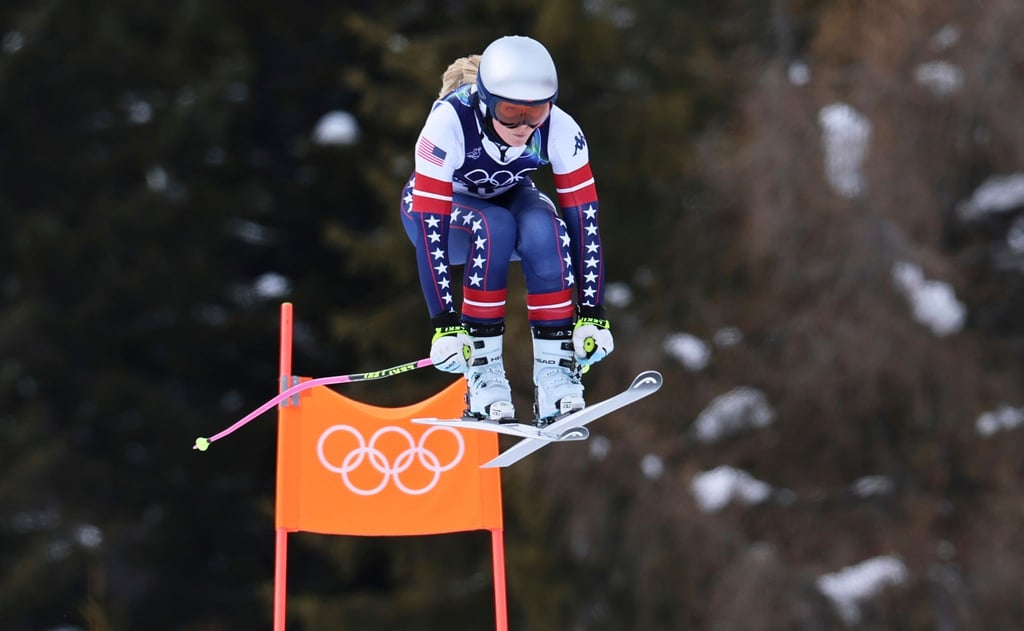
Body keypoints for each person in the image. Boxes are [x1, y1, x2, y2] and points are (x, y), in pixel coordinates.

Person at [400, 35, 614, 425]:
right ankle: (483, 374)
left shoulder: (560, 128)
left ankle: (555, 375)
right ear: (484, 101)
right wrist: (445, 325)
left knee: (543, 227)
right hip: (444, 221)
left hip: (509, 197)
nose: (523, 126)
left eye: (535, 113)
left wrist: (592, 314)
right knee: (493, 224)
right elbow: (432, 226)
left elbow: (585, 222)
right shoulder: (448, 123)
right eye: (510, 111)